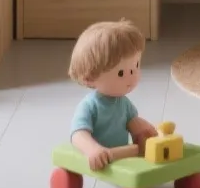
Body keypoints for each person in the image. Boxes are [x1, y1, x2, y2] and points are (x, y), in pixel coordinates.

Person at [67, 19, 158, 170]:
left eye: (136, 66)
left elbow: (132, 121)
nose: (132, 76)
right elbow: (78, 134)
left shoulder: (124, 103)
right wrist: (93, 150)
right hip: (101, 156)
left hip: (119, 155)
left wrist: (144, 131)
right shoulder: (90, 106)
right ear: (90, 78)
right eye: (121, 73)